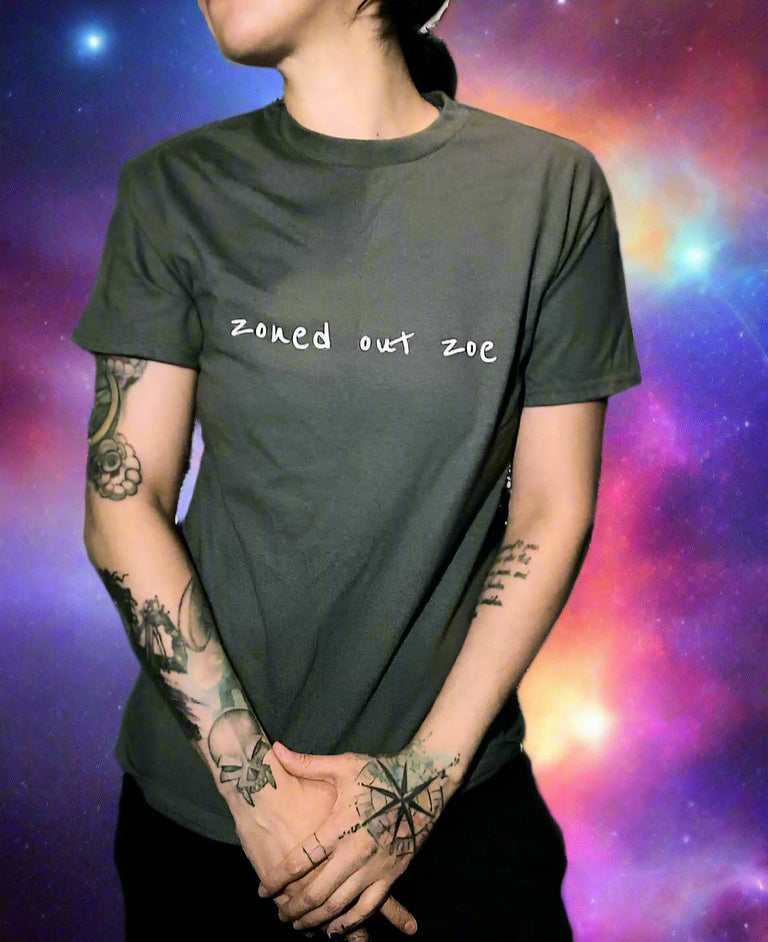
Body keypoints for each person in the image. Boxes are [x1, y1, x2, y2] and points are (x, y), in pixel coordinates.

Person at [71, 0, 642, 939]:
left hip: (458, 815)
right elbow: (123, 504)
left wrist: (418, 785)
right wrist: (258, 794)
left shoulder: (549, 188)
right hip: (211, 829)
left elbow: (550, 509)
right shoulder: (174, 188)